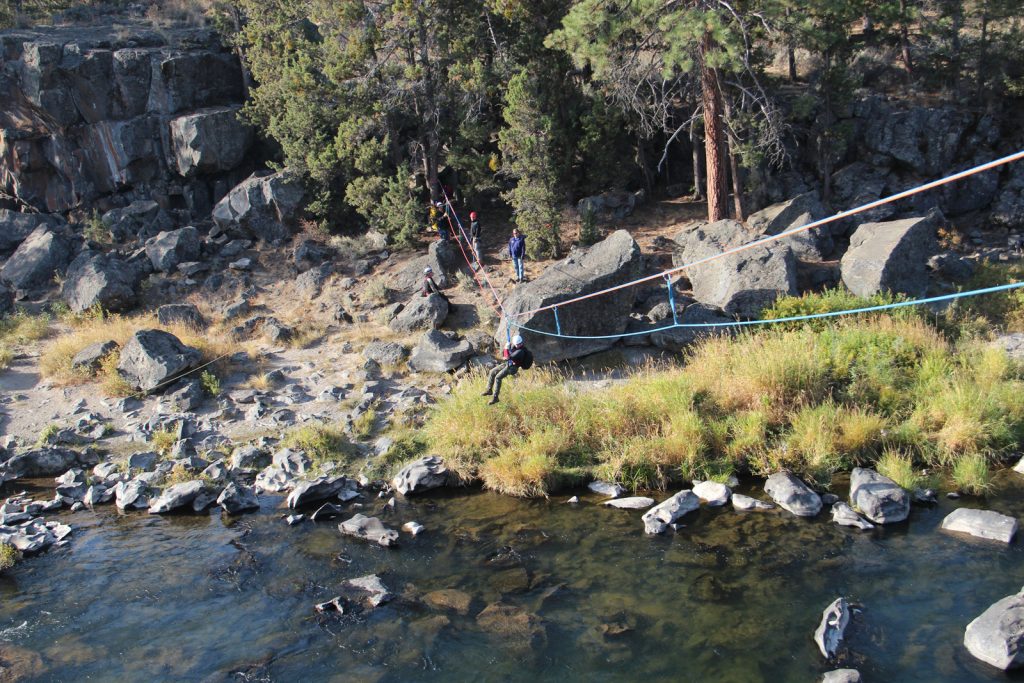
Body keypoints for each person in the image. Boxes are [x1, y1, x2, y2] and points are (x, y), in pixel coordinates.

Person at [481, 334, 532, 405]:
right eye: (517, 344)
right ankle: (489, 390)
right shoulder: (515, 347)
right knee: (492, 372)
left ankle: (495, 398)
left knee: (498, 377)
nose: (518, 345)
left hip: (512, 368)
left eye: (519, 344)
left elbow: (506, 357)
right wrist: (508, 347)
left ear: (521, 343)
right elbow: (508, 357)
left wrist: (505, 348)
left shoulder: (520, 351)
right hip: (508, 364)